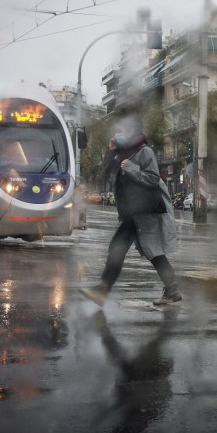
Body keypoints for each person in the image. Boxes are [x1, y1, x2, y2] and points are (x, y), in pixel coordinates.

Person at [80, 124, 180, 307]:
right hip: (131, 213)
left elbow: (153, 178)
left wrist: (131, 167)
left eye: (123, 131)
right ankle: (172, 289)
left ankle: (102, 290)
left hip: (143, 211)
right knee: (153, 253)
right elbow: (106, 173)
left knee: (119, 248)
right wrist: (111, 151)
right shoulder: (123, 156)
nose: (119, 135)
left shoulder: (145, 152)